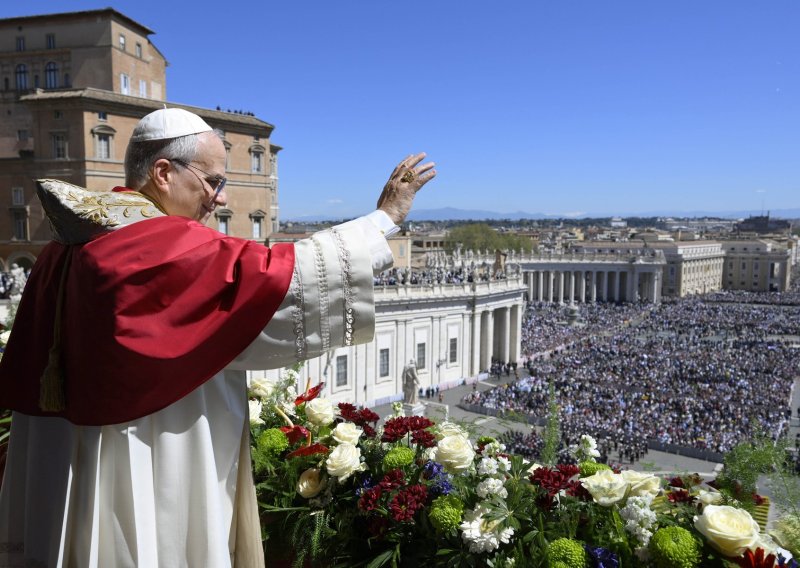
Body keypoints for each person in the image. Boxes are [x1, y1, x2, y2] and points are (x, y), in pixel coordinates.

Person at [0, 108, 435, 567]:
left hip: (67, 454)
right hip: (147, 451)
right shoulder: (152, 244)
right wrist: (385, 217)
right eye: (213, 182)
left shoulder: (71, 240)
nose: (220, 200)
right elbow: (275, 278)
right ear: (164, 173)